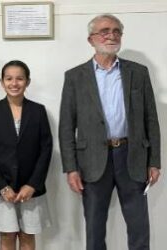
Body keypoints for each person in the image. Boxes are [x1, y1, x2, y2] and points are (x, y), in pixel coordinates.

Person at [59, 14, 161, 250]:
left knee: (139, 228)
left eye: (116, 31)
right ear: (90, 39)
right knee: (94, 229)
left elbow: (151, 119)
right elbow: (66, 126)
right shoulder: (75, 77)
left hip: (132, 157)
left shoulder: (138, 72)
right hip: (92, 161)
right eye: (105, 30)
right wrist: (71, 168)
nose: (111, 35)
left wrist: (154, 161)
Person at [0, 60, 53, 250]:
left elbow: (46, 149)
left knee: (28, 235)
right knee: (7, 234)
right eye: (9, 78)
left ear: (27, 81)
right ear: (2, 82)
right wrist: (2, 186)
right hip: (3, 186)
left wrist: (32, 184)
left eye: (20, 78)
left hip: (31, 187)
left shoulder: (37, 111)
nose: (14, 83)